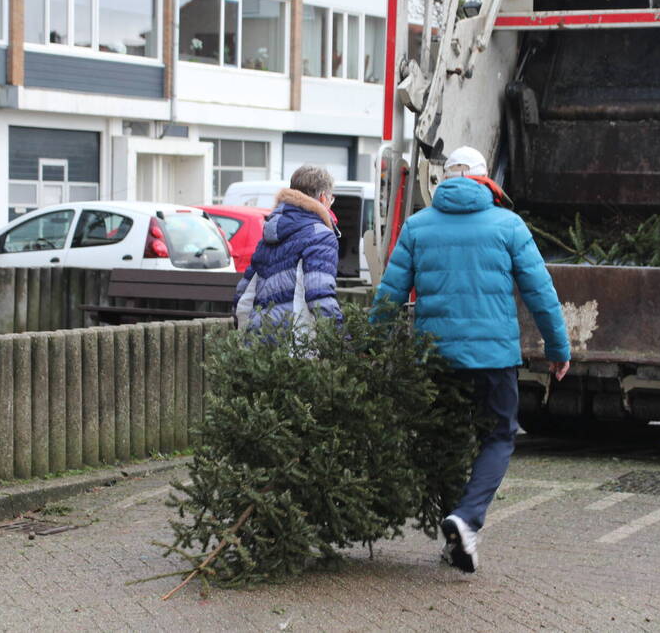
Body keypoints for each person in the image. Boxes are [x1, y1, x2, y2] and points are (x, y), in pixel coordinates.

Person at [373, 146, 570, 573]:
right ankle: (465, 520)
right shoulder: (509, 225)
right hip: (493, 359)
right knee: (498, 437)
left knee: (446, 442)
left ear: (444, 181)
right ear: (485, 181)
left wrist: (370, 347)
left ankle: (454, 538)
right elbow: (540, 293)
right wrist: (558, 349)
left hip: (435, 358)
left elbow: (389, 294)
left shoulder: (418, 226)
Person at [234, 165, 343, 332]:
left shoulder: (270, 231)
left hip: (259, 337)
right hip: (295, 339)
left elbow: (244, 292)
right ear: (322, 198)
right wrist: (339, 338)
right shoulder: (320, 235)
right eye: (331, 199)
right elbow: (320, 296)